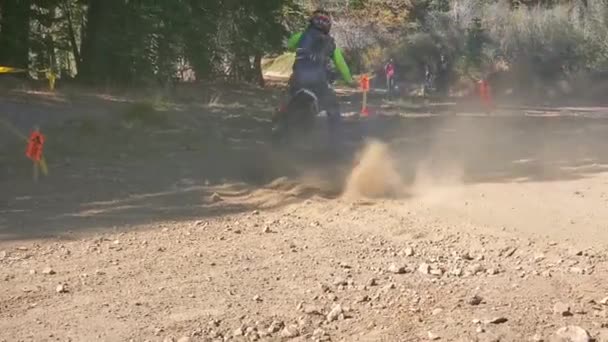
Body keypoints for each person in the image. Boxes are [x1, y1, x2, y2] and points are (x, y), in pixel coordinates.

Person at [281, 9, 355, 147]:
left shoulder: (301, 36)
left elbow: (289, 45)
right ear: (328, 25)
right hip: (318, 83)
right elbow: (341, 65)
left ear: (311, 22)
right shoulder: (331, 44)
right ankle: (336, 143)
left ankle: (278, 128)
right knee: (333, 109)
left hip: (298, 79)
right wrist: (349, 81)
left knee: (286, 100)